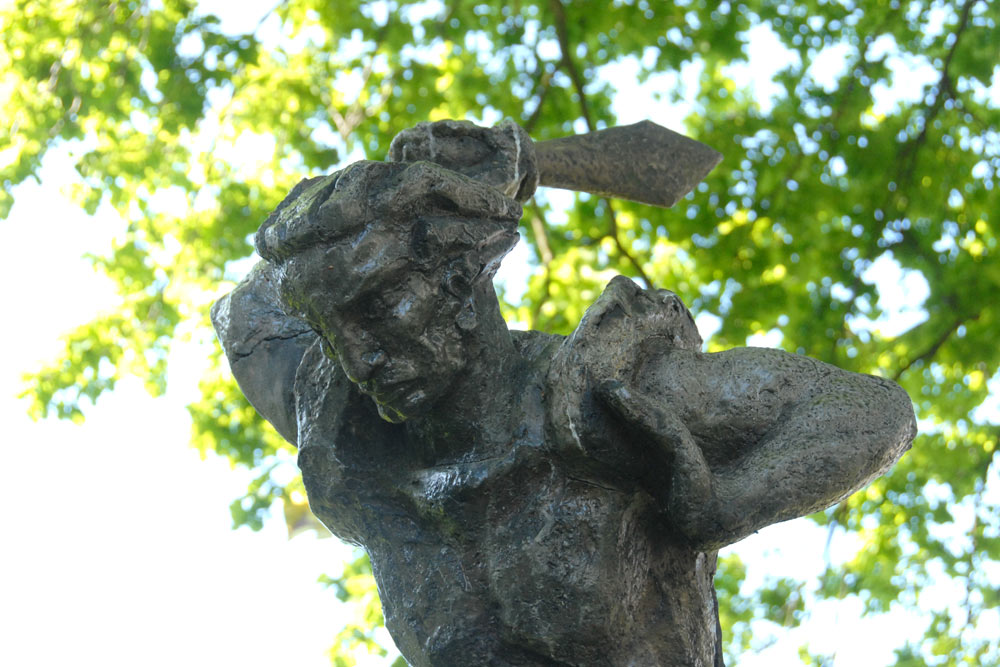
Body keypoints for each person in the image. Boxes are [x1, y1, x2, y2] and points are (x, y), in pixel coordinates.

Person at [212, 122, 916, 667]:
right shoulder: (364, 460)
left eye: (375, 306)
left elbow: (871, 413)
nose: (357, 354)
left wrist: (719, 504)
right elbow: (246, 314)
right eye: (331, 329)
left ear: (460, 277)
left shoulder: (606, 400)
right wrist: (453, 172)